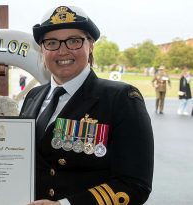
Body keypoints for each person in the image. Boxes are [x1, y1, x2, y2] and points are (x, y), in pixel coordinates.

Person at [20, 5, 154, 205]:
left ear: (90, 45)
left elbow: (135, 184)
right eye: (52, 42)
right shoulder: (32, 96)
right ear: (42, 49)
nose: (62, 51)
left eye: (74, 41)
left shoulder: (121, 99)